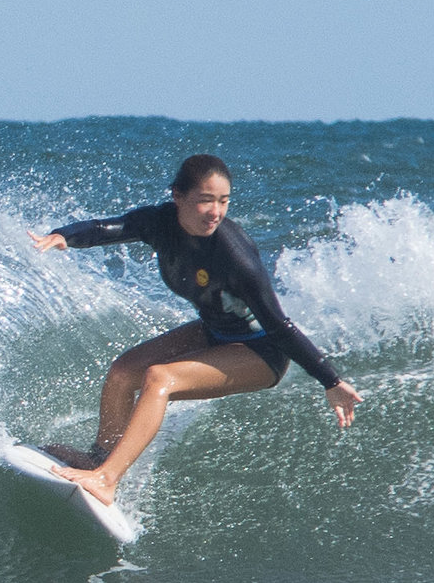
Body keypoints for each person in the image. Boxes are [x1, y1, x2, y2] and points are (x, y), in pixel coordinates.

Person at [27, 154, 362, 505]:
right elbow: (109, 228)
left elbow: (279, 325)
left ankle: (107, 479)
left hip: (262, 351)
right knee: (124, 371)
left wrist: (331, 381)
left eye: (224, 201)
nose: (215, 211)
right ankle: (99, 459)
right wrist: (63, 236)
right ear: (178, 197)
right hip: (216, 330)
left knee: (159, 378)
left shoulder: (235, 256)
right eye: (205, 200)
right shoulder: (161, 223)